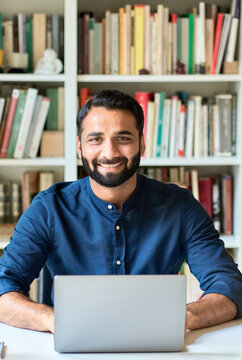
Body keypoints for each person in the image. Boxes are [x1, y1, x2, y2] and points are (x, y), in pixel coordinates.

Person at [0, 90, 242, 335]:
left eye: (123, 138)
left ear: (142, 143)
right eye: (96, 139)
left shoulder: (180, 206)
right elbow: (3, 288)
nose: (110, 153)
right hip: (72, 346)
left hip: (157, 345)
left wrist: (183, 316)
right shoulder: (49, 208)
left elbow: (230, 286)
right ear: (79, 146)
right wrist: (53, 320)